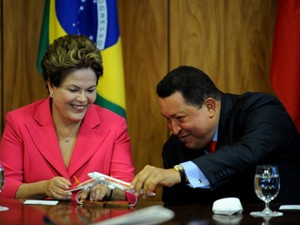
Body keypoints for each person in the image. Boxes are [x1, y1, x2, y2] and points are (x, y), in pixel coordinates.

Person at [130, 65, 300, 204]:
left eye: (180, 118)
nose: (174, 130)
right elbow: (176, 211)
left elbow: (247, 151)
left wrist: (181, 173)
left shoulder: (262, 109)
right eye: (167, 119)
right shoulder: (174, 148)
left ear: (209, 107)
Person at [0, 34, 136, 204]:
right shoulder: (18, 122)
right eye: (73, 90)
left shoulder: (115, 125)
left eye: (90, 90)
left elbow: (128, 189)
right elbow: (5, 187)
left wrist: (107, 191)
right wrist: (43, 187)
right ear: (51, 86)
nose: (82, 99)